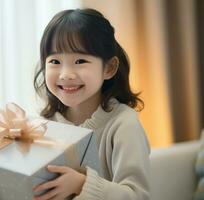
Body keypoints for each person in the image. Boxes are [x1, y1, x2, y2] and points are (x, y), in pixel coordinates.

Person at [32, 8, 150, 200]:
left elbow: (138, 195)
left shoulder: (124, 124)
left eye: (80, 60)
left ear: (109, 68)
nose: (65, 74)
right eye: (54, 61)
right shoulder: (44, 124)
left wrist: (82, 185)